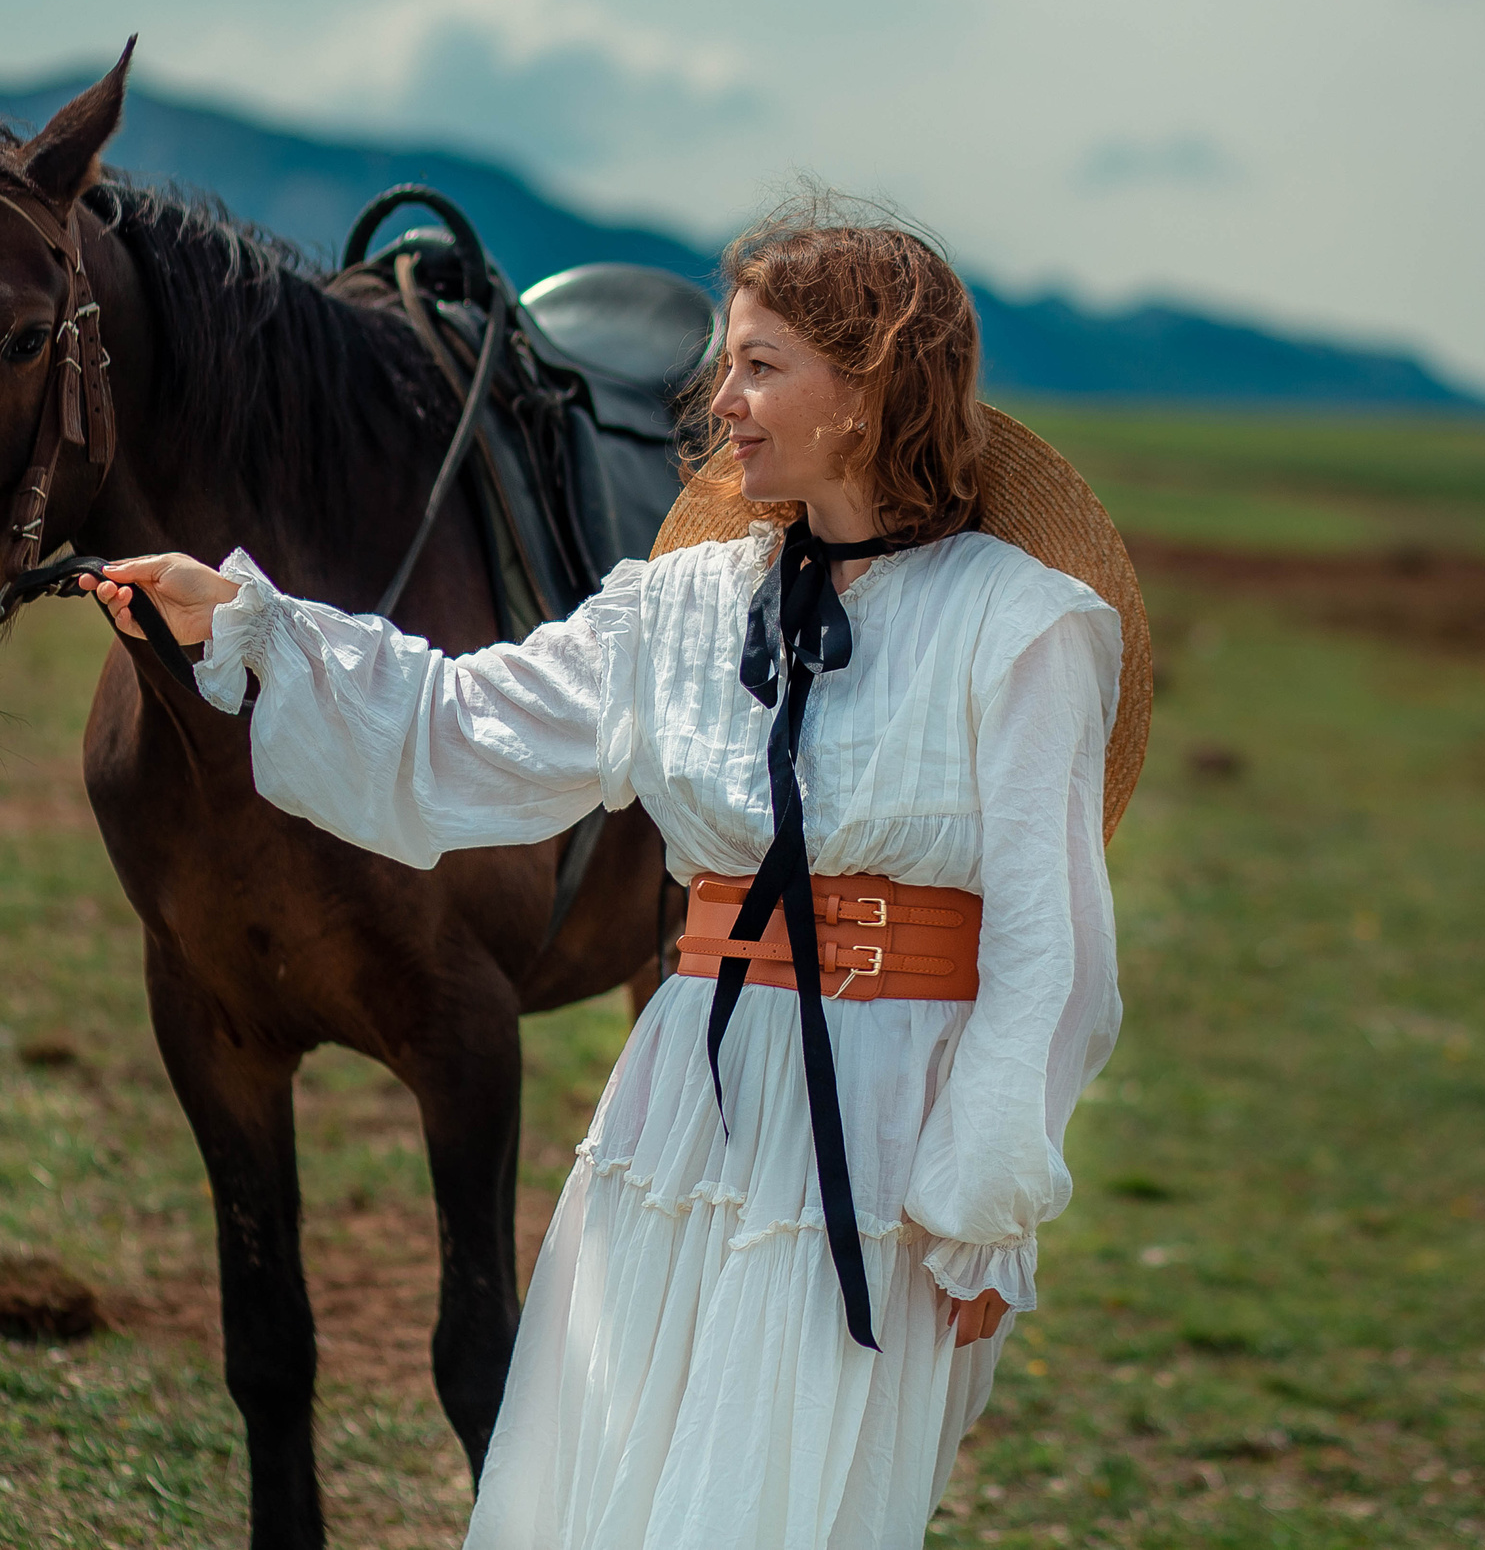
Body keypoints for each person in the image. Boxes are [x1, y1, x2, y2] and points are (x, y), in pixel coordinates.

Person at [81, 201, 1124, 1549]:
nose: (718, 400)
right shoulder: (679, 607)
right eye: (725, 364)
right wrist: (248, 626)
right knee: (606, 1495)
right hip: (678, 1112)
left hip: (887, 1139)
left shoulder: (1026, 628)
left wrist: (983, 1192)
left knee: (780, 1512)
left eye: (759, 366)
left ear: (866, 392)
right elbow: (460, 725)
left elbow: (1054, 948)